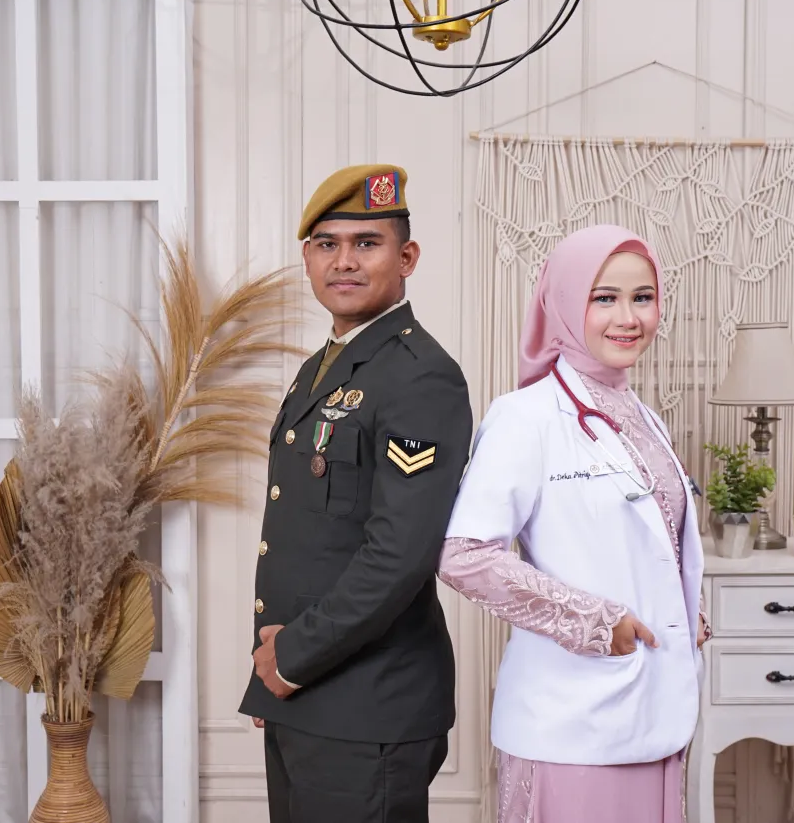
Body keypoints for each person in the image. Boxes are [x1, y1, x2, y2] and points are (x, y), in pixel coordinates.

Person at [436, 224, 711, 822]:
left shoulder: (645, 418)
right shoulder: (525, 417)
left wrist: (685, 610)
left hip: (656, 711)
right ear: (562, 302)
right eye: (603, 297)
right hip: (571, 722)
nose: (628, 318)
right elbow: (464, 555)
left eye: (643, 297)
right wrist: (595, 622)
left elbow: (652, 546)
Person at [239, 163, 475, 823]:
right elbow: (304, 535)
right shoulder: (323, 368)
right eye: (327, 244)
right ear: (308, 258)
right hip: (308, 689)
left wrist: (291, 657)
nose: (343, 261)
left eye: (366, 243)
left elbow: (400, 553)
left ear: (407, 258)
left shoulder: (420, 376)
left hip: (368, 702)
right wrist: (274, 671)